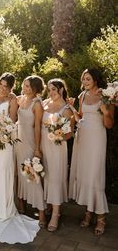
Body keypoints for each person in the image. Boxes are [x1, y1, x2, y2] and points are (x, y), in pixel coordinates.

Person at [0, 73, 40, 244]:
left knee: (2, 171)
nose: (2, 89)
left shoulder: (12, 100)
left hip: (3, 141)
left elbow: (11, 121)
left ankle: (3, 210)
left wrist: (1, 131)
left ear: (11, 89)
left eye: (6, 87)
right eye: (0, 85)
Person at [69, 68, 114, 235]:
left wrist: (105, 111)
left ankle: (100, 217)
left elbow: (109, 124)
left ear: (95, 79)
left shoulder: (106, 96)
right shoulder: (82, 96)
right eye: (83, 79)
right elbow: (80, 118)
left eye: (88, 79)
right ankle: (88, 210)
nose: (85, 82)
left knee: (95, 175)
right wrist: (71, 109)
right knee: (86, 174)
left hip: (97, 139)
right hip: (83, 138)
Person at [41, 78, 73, 232]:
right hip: (43, 145)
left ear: (61, 89)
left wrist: (57, 135)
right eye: (49, 89)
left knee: (55, 178)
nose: (51, 92)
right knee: (46, 176)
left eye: (54, 89)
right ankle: (49, 205)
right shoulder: (44, 103)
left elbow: (69, 134)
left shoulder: (66, 109)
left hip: (57, 147)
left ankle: (55, 214)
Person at [15, 75, 46, 226]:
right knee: (20, 175)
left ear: (35, 88)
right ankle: (21, 205)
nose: (24, 88)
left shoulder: (37, 104)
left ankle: (41, 213)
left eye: (28, 86)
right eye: (24, 85)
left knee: (32, 176)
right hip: (18, 141)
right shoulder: (20, 99)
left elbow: (38, 127)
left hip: (30, 142)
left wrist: (37, 149)